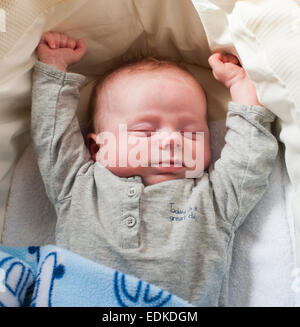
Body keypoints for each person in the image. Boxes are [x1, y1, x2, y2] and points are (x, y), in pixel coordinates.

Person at [31, 31, 278, 306]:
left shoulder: (214, 199)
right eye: (145, 131)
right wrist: (54, 70)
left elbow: (248, 158)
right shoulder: (77, 185)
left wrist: (240, 86)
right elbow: (51, 135)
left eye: (190, 131)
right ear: (98, 148)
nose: (172, 139)